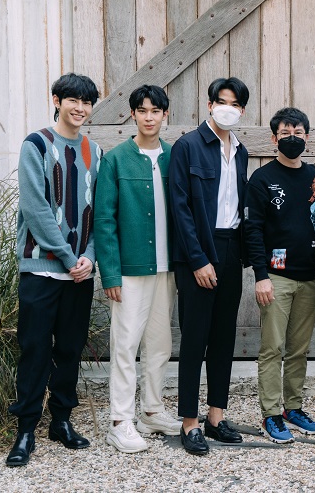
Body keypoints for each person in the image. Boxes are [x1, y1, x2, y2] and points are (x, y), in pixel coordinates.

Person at [6, 73, 102, 466]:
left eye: (86, 102)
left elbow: (99, 213)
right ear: (57, 101)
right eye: (73, 100)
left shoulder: (94, 151)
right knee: (34, 349)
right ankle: (26, 430)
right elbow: (36, 208)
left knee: (69, 350)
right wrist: (66, 256)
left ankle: (61, 421)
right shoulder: (36, 144)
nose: (80, 108)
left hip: (80, 272)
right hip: (41, 270)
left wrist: (90, 257)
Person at [94, 85, 182, 453]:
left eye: (155, 111)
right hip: (130, 270)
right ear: (132, 114)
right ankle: (120, 421)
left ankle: (152, 411)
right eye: (142, 110)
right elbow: (104, 220)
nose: (149, 117)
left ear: (165, 114)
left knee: (160, 345)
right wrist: (110, 273)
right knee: (125, 345)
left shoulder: (175, 157)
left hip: (166, 268)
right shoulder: (116, 160)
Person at [169, 77, 250, 455]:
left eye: (234, 104)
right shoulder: (187, 146)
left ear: (242, 111)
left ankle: (216, 417)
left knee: (223, 338)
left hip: (231, 249)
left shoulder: (241, 151)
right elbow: (180, 208)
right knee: (195, 339)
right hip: (198, 251)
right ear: (209, 105)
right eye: (221, 101)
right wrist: (198, 259)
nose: (227, 108)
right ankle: (190, 422)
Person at [244, 107, 315, 443]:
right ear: (273, 138)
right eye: (285, 133)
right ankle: (271, 414)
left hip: (310, 276)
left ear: (307, 137)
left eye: (298, 133)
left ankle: (293, 408)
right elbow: (252, 229)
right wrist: (260, 275)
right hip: (276, 277)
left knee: (298, 348)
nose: (292, 139)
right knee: (272, 348)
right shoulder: (262, 179)